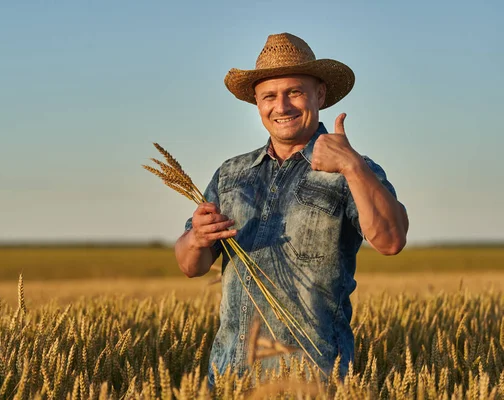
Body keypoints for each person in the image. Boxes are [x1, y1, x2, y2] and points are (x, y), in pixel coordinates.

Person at [174, 33, 409, 385]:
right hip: (230, 375)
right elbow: (192, 266)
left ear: (320, 95)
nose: (281, 106)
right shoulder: (231, 174)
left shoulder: (355, 171)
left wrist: (352, 165)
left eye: (294, 92)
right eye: (269, 96)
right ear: (257, 103)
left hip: (312, 378)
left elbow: (391, 240)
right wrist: (195, 240)